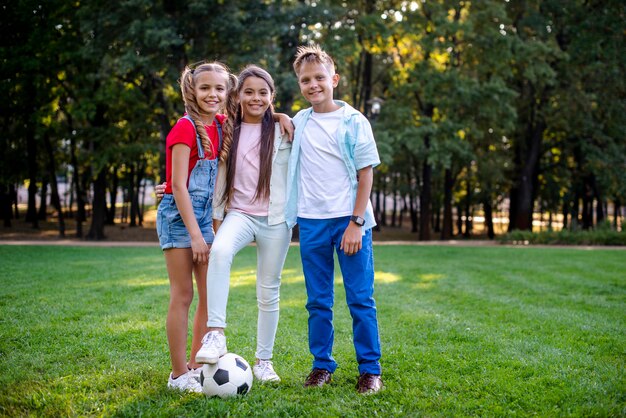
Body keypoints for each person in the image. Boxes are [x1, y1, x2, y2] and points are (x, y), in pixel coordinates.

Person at [284, 44, 383, 394]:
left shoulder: (354, 121)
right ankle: (321, 366)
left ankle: (370, 370)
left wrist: (356, 222)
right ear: (300, 84)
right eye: (305, 80)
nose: (313, 85)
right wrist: (279, 116)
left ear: (334, 79)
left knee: (360, 298)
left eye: (319, 78)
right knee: (317, 300)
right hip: (310, 222)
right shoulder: (298, 121)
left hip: (349, 221)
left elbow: (366, 172)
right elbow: (267, 128)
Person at [195, 65, 292, 383]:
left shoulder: (283, 129)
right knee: (219, 252)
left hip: (276, 219)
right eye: (248, 92)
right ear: (237, 96)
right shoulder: (227, 129)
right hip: (239, 213)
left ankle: (264, 361)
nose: (256, 98)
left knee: (268, 290)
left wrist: (281, 116)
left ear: (272, 96)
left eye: (263, 92)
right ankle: (216, 333)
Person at [156, 61, 236, 393]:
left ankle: (194, 367)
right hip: (179, 219)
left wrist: (281, 117)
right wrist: (196, 235)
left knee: (209, 296)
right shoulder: (185, 128)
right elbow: (177, 185)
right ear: (192, 90)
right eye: (205, 87)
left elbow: (260, 117)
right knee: (183, 294)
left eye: (219, 88)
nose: (212, 94)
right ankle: (177, 375)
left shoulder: (223, 125)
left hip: (206, 220)